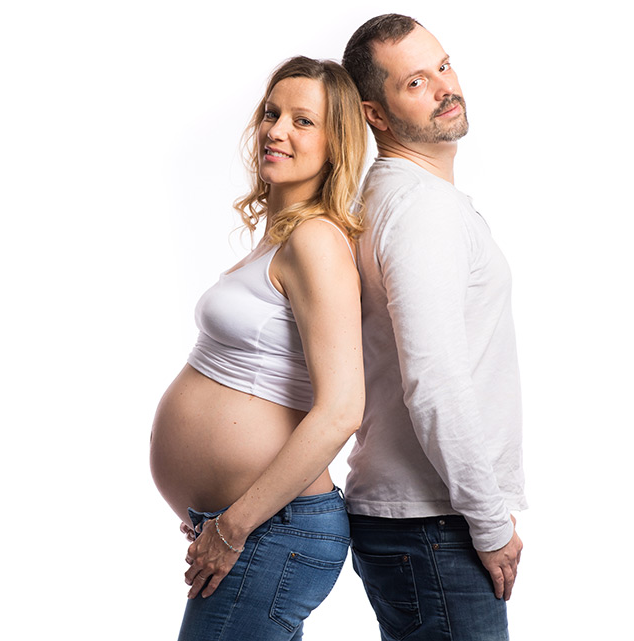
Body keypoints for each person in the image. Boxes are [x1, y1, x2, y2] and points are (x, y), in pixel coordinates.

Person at [149, 56, 368, 641]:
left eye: (303, 121)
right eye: (272, 114)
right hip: (256, 525)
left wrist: (234, 525)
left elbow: (343, 408)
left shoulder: (317, 241)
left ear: (336, 143)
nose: (276, 130)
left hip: (276, 529)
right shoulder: (280, 239)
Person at [340, 14, 527, 641]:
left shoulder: (402, 197)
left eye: (443, 66)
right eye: (414, 82)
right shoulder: (421, 210)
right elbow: (436, 380)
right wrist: (489, 520)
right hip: (432, 521)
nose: (445, 87)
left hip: (422, 521)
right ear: (376, 113)